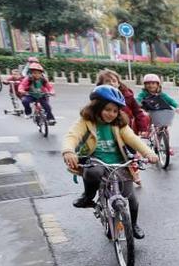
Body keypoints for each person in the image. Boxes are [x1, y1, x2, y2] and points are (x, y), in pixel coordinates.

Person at [61, 85, 159, 239]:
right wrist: (68, 151)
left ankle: (133, 225)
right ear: (96, 107)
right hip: (96, 160)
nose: (111, 114)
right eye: (107, 109)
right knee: (94, 172)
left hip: (119, 163)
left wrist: (149, 153)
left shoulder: (119, 124)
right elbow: (72, 135)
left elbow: (134, 139)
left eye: (115, 111)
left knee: (131, 199)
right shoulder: (86, 121)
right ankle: (88, 196)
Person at [95, 69, 150, 137]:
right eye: (107, 81)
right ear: (101, 84)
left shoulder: (128, 96)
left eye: (114, 81)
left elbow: (138, 113)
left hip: (125, 130)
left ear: (118, 84)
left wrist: (142, 129)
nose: (111, 83)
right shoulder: (97, 98)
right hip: (105, 132)